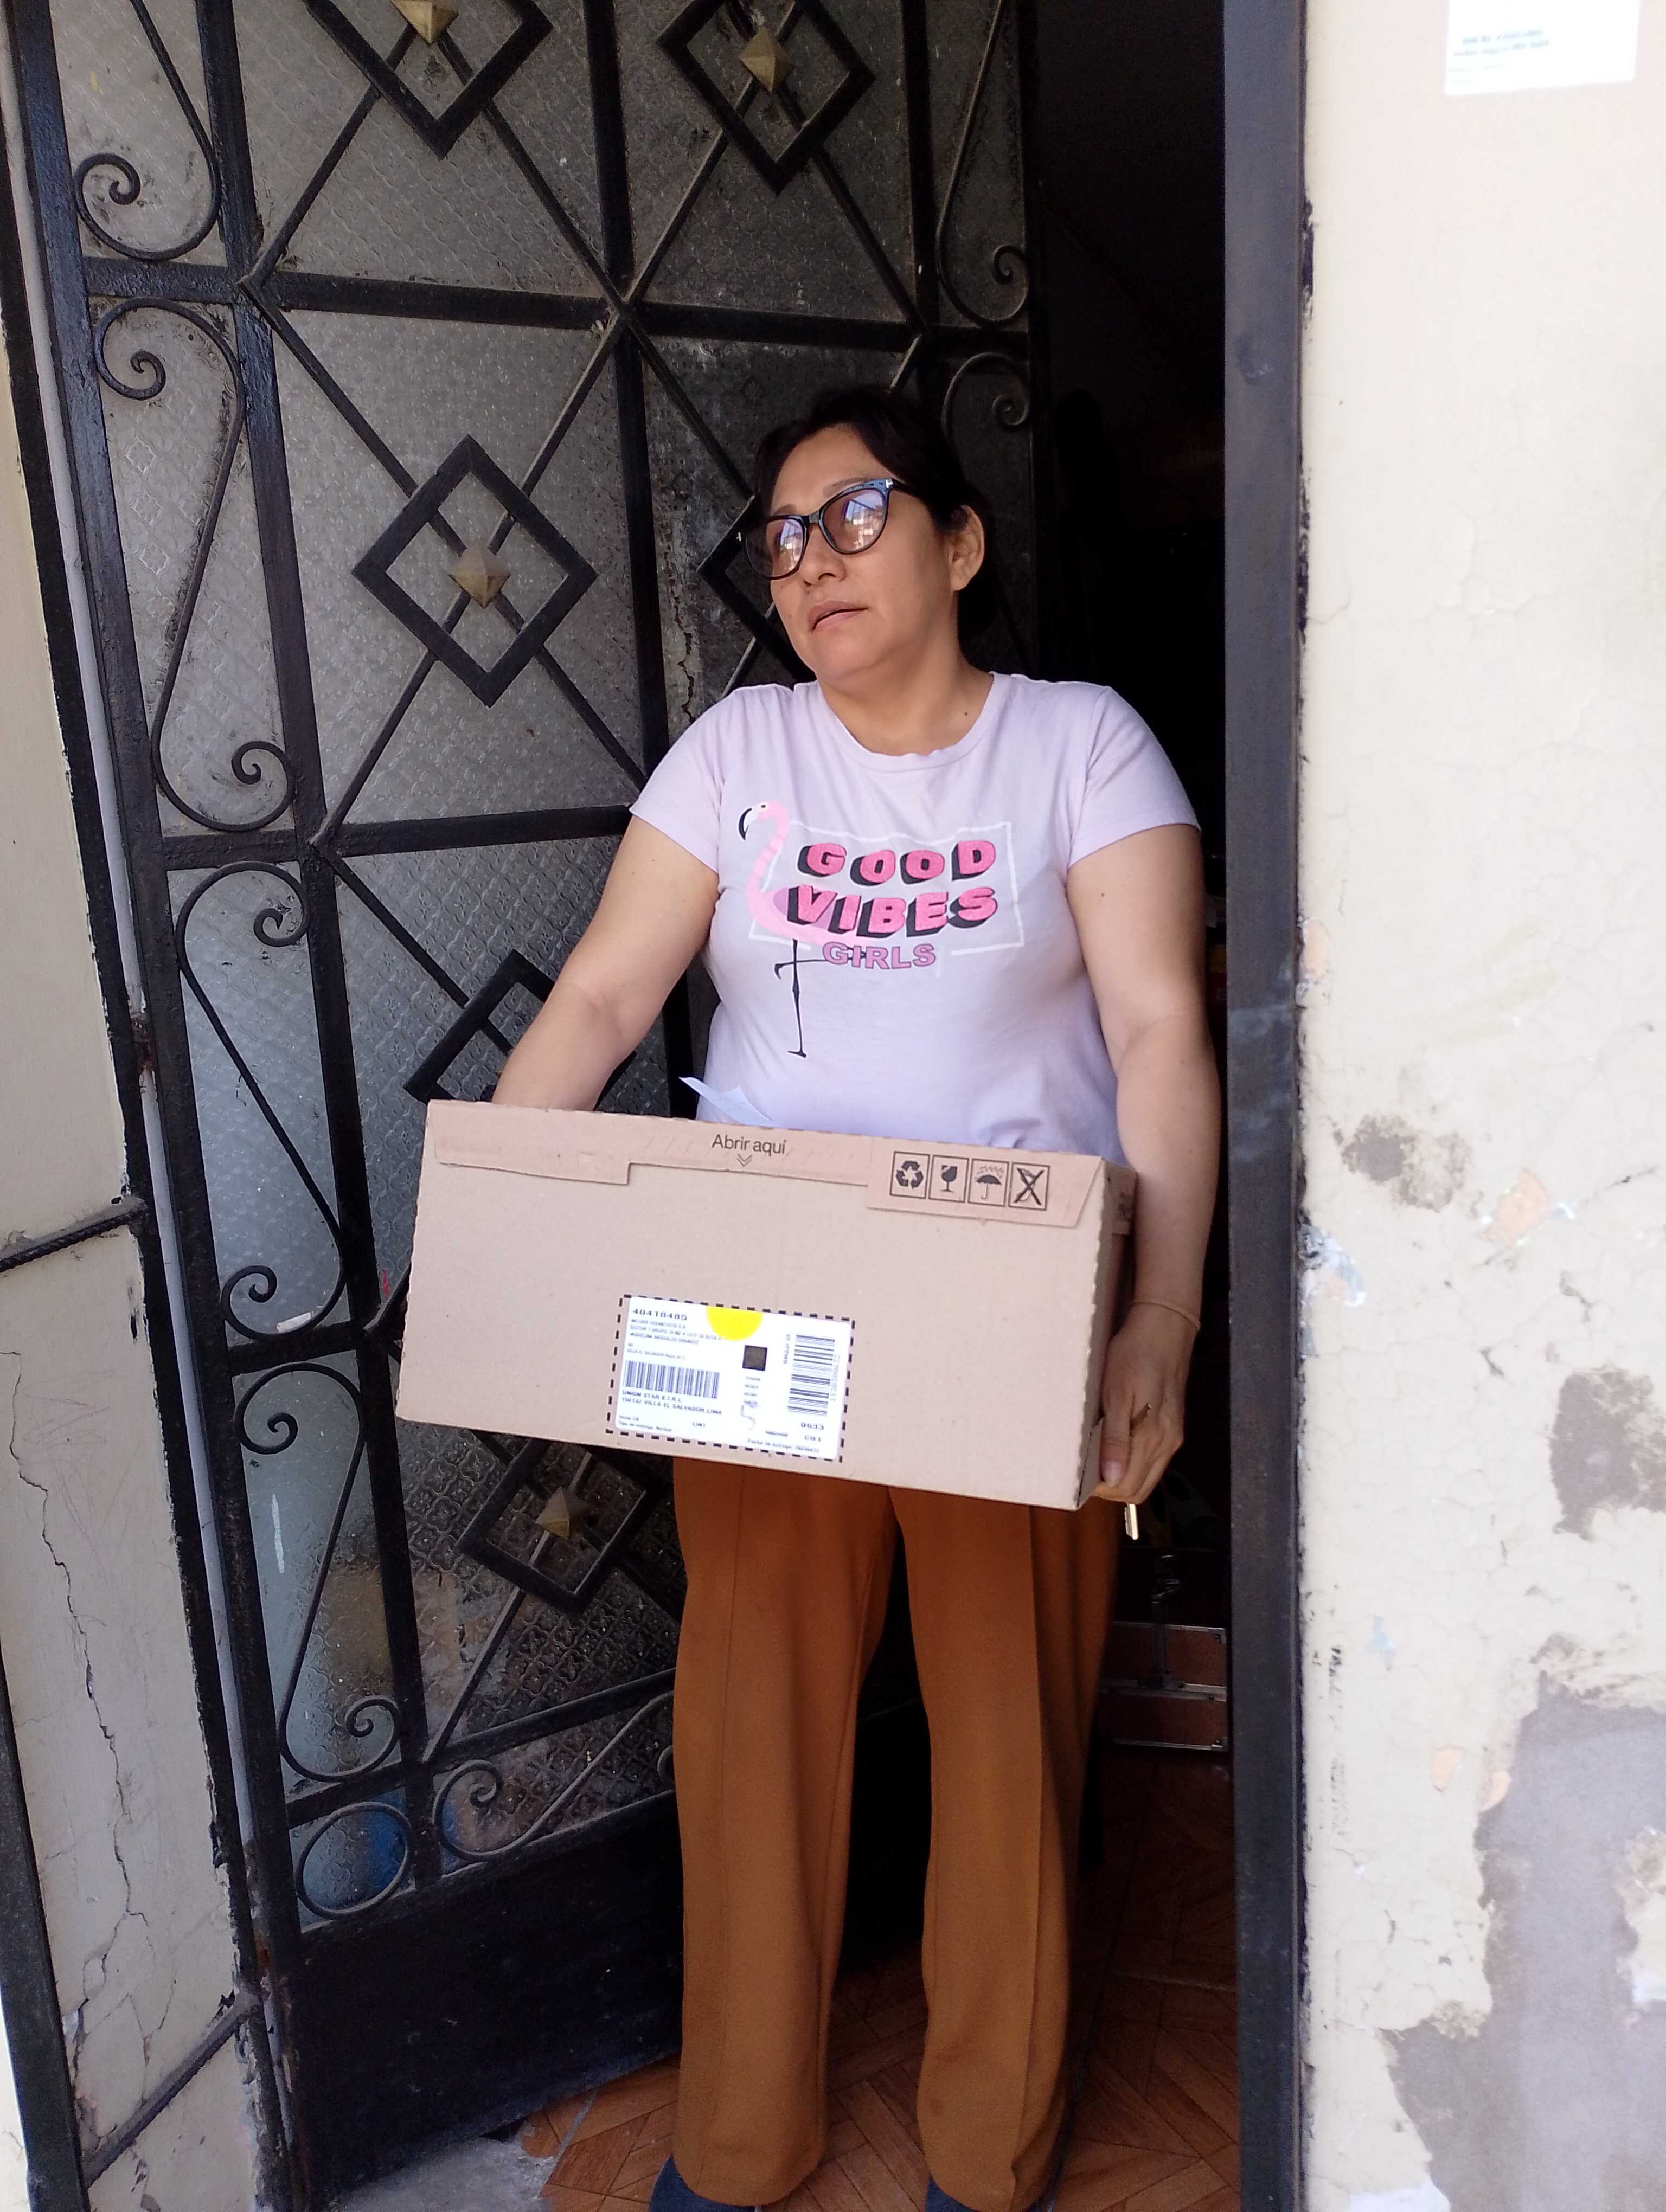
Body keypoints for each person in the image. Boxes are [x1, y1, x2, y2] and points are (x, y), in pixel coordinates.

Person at [494, 385, 1220, 2212]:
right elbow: (602, 999)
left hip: (1010, 1307)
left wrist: (1163, 1319)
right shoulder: (738, 754)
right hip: (765, 1302)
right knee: (753, 1729)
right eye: (783, 535)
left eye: (858, 514)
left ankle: (992, 2145)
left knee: (1007, 1738)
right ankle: (740, 2142)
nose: (812, 558)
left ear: (959, 544)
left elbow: (1158, 1029)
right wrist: (504, 1215)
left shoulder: (1079, 745)